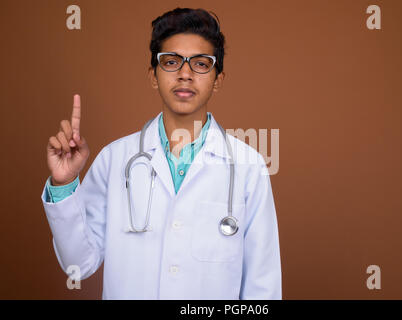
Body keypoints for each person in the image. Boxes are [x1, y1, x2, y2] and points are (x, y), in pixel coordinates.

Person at [41, 7, 281, 300]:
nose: (185, 74)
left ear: (218, 79)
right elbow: (79, 263)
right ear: (154, 76)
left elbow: (262, 286)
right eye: (171, 62)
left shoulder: (248, 166)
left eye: (201, 64)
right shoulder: (115, 159)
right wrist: (64, 185)